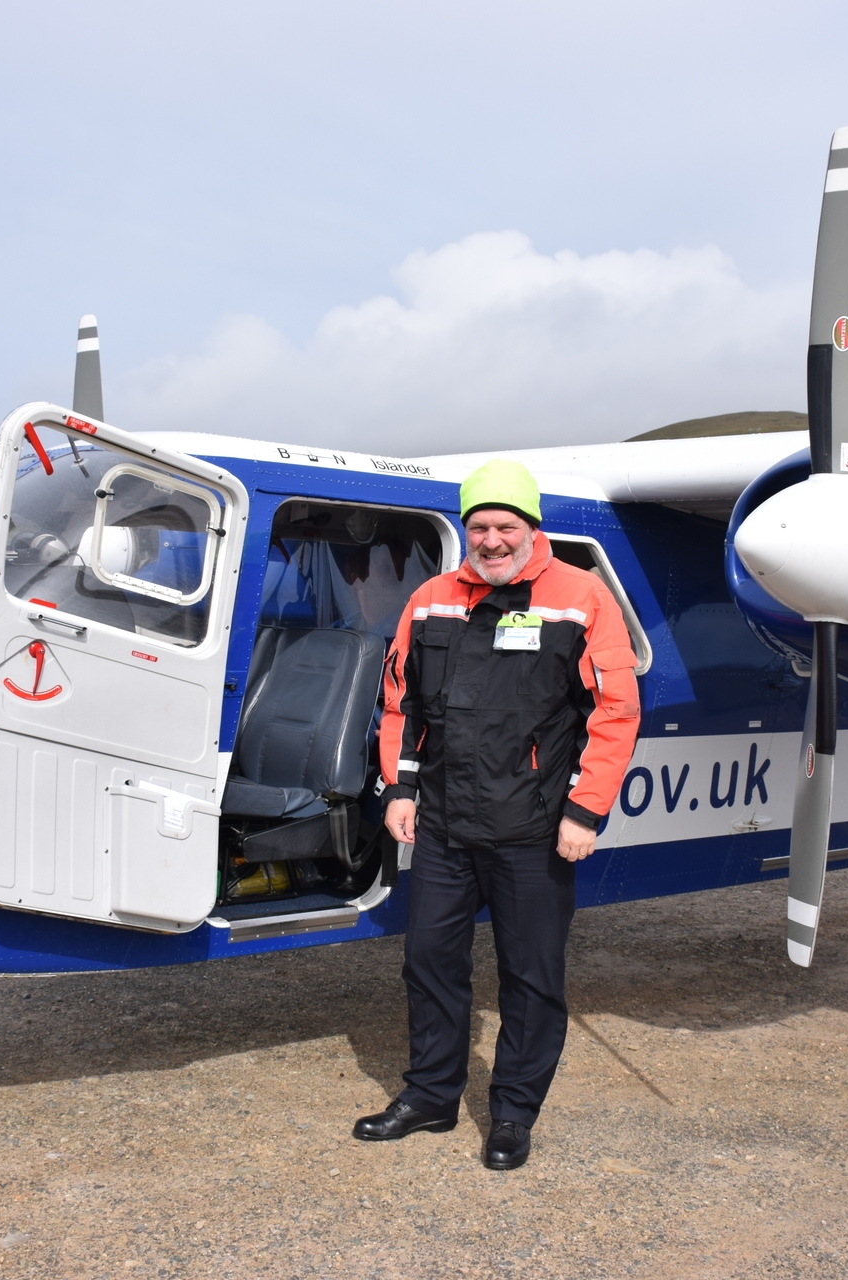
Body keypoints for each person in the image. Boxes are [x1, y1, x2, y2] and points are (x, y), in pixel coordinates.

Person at [352, 459, 641, 1170]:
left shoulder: (581, 599)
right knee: (428, 963)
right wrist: (401, 790)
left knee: (532, 977)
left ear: (531, 529)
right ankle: (430, 1097)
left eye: (504, 526)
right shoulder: (432, 599)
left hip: (535, 831)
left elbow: (615, 711)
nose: (490, 540)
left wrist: (585, 811)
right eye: (478, 526)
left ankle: (512, 1113)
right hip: (447, 826)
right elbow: (403, 705)